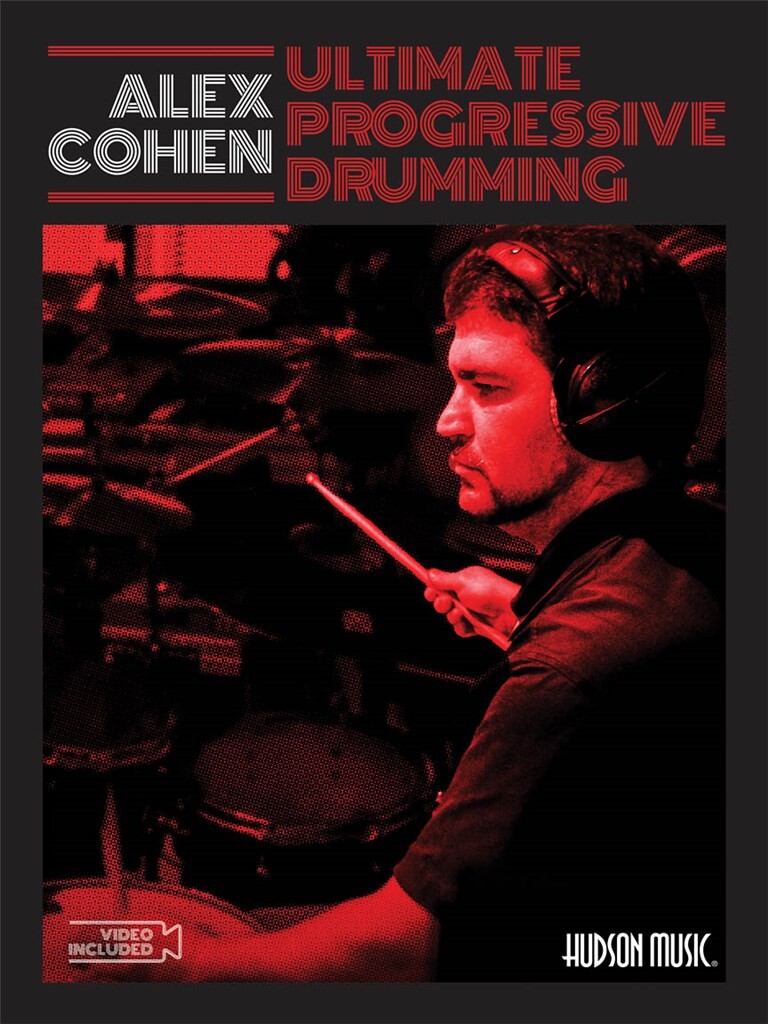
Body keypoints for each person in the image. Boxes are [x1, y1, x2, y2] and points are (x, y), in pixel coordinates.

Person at [64, 225, 724, 982]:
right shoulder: (693, 543)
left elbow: (399, 948)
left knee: (120, 946)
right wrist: (520, 615)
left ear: (600, 406)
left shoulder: (569, 673)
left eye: (487, 388)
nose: (446, 421)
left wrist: (179, 971)